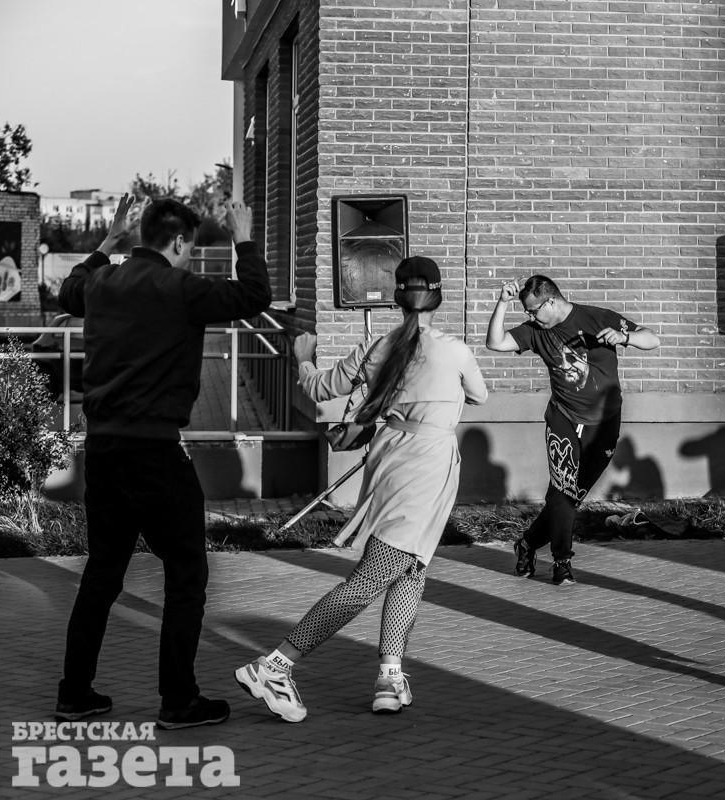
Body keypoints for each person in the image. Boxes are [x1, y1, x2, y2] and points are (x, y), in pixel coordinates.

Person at [235, 256, 487, 722]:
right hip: (427, 468)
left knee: (411, 569)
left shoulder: (376, 348)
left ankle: (389, 677)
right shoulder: (454, 351)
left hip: (393, 460)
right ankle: (274, 665)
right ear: (438, 298)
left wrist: (303, 358)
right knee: (372, 577)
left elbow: (320, 388)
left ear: (397, 298)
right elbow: (479, 395)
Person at [55, 195, 272, 729]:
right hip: (155, 453)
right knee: (186, 574)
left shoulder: (102, 283)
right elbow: (254, 296)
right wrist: (244, 237)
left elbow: (68, 290)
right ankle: (178, 699)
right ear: (178, 241)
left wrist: (108, 241)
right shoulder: (182, 289)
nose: (190, 255)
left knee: (102, 574)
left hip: (103, 452)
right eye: (190, 247)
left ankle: (74, 694)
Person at [485, 275, 660, 585]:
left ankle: (526, 544)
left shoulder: (596, 318)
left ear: (551, 301)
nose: (530, 317)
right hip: (563, 419)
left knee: (570, 497)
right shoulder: (536, 332)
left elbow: (652, 339)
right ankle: (562, 562)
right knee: (563, 490)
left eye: (533, 310)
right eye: (527, 312)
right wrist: (502, 302)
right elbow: (495, 343)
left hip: (604, 424)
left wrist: (625, 338)